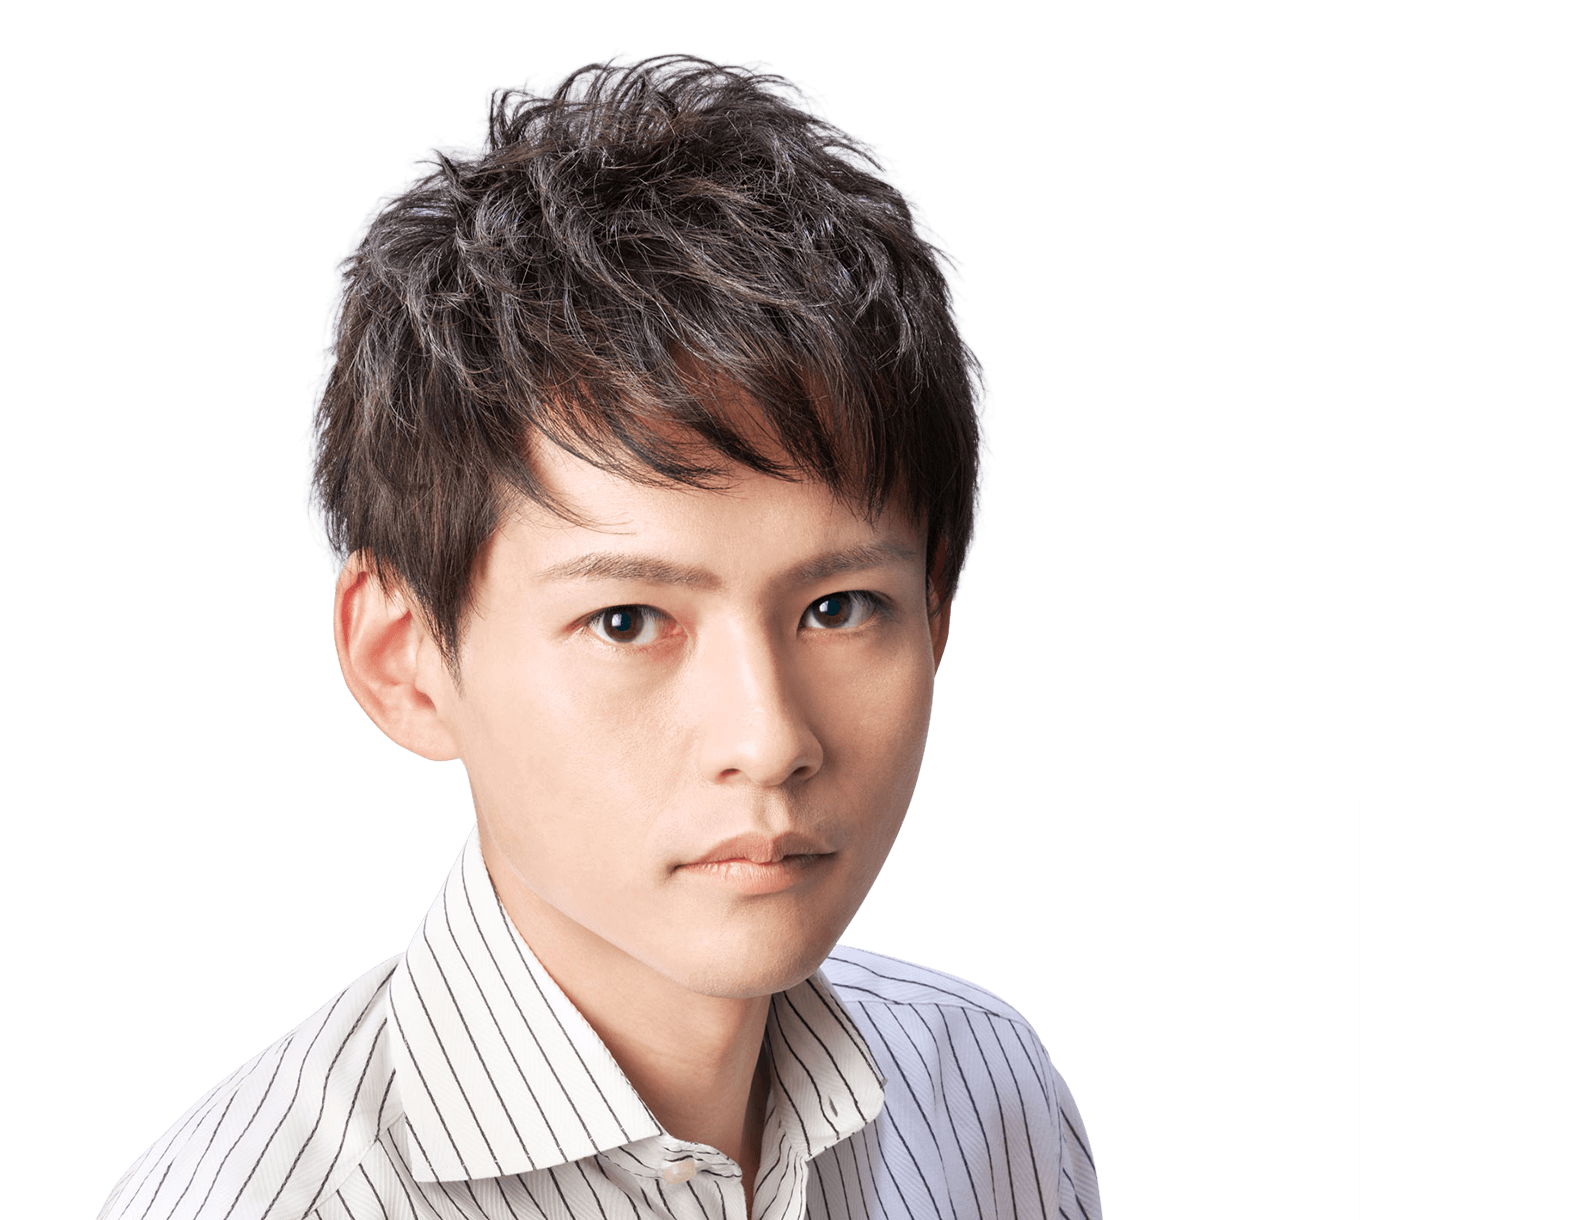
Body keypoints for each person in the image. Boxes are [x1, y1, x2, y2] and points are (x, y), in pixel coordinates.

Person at [98, 51, 1101, 1220]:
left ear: (937, 612)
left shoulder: (988, 1090)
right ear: (403, 657)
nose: (769, 739)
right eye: (627, 619)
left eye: (838, 607)